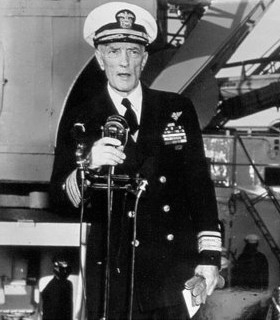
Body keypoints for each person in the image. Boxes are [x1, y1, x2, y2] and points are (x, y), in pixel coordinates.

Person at [49, 2, 222, 319]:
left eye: (133, 51)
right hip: (114, 272)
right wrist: (87, 166)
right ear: (101, 59)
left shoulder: (177, 109)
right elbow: (58, 198)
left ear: (145, 58)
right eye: (114, 51)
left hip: (174, 268)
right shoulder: (81, 119)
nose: (124, 62)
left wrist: (209, 257)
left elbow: (200, 187)